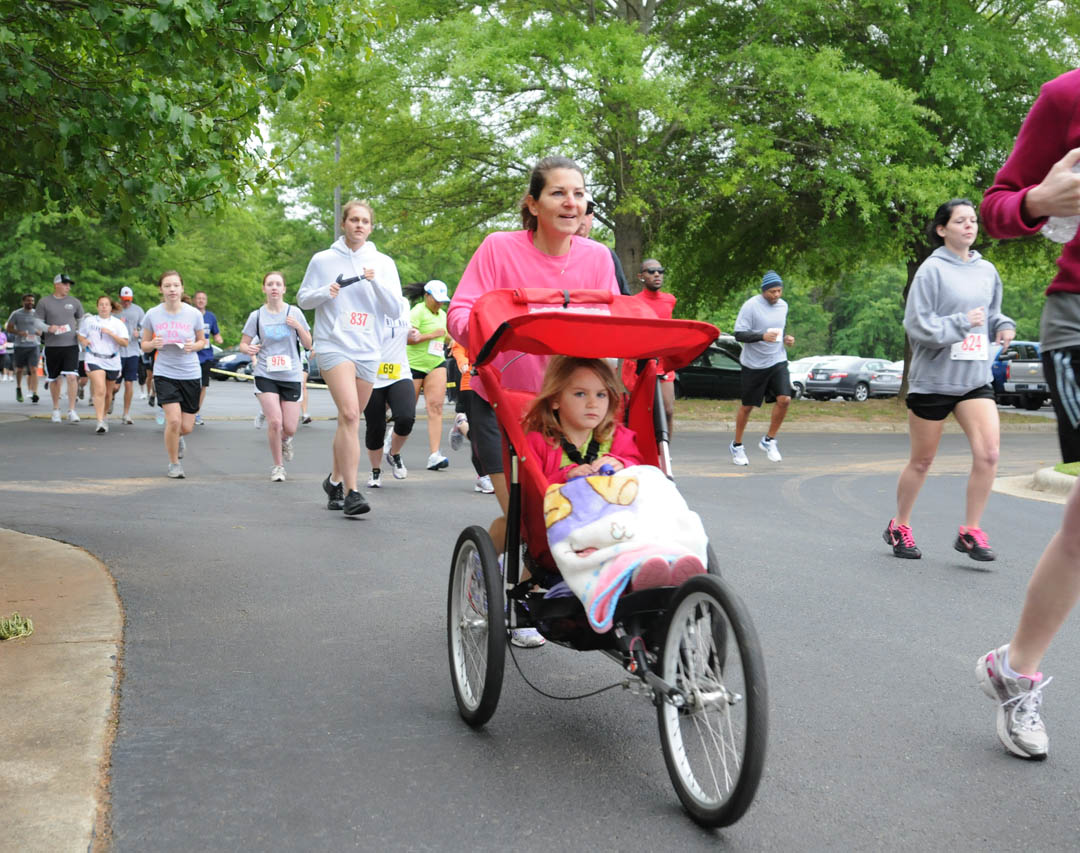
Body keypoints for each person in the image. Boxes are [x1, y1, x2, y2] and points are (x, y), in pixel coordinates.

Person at [447, 154, 622, 647]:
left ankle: (535, 582)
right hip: (500, 400)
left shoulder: (598, 258)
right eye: (558, 193)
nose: (571, 202)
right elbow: (460, 313)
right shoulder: (499, 249)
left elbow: (611, 325)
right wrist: (494, 331)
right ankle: (498, 580)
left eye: (579, 194)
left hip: (564, 406)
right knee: (526, 513)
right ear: (533, 203)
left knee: (560, 506)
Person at [971, 68, 1080, 760]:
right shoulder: (1067, 96)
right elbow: (997, 206)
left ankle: (1015, 668)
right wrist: (1039, 199)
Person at [882, 199, 1014, 563]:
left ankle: (970, 531)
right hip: (934, 380)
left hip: (974, 377)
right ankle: (900, 525)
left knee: (989, 453)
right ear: (942, 229)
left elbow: (992, 313)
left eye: (973, 220)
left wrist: (1002, 325)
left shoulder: (987, 270)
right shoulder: (930, 271)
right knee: (922, 461)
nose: (970, 226)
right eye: (960, 221)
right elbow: (917, 327)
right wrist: (960, 323)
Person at [297, 199, 402, 516]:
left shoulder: (382, 263)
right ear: (343, 224)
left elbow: (396, 309)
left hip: (368, 347)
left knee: (348, 420)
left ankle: (333, 481)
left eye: (365, 221)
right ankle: (352, 492)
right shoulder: (323, 260)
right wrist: (324, 292)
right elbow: (303, 299)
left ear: (371, 227)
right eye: (353, 220)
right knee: (352, 414)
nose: (359, 225)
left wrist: (376, 282)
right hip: (333, 345)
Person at [523, 356, 644, 483]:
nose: (593, 404)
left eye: (601, 395)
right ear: (555, 400)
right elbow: (532, 492)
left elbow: (639, 468)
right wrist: (565, 477)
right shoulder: (537, 443)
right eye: (580, 394)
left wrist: (622, 464)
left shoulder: (619, 437)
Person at [239, 272, 312, 481]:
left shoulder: (294, 312)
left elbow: (308, 344)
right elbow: (244, 343)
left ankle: (286, 440)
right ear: (264, 289)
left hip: (291, 374)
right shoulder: (257, 316)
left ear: (284, 289)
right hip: (265, 373)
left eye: (278, 284)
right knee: (275, 423)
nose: (274, 287)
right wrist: (249, 349)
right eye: (270, 284)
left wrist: (298, 327)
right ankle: (278, 466)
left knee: (289, 427)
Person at [141, 270, 207, 478]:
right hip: (165, 372)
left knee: (186, 426)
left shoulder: (193, 313)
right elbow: (144, 345)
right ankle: (174, 463)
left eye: (175, 285)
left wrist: (192, 346)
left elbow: (202, 341)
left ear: (182, 288)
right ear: (161, 289)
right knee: (174, 421)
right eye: (167, 286)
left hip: (190, 373)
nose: (172, 289)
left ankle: (177, 438)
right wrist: (153, 344)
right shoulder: (152, 314)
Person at [729, 271, 795, 465]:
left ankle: (769, 440)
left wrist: (786, 339)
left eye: (779, 291)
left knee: (785, 399)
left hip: (777, 359)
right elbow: (739, 334)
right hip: (753, 364)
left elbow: (778, 330)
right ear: (764, 291)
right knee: (748, 406)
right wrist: (761, 336)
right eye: (772, 291)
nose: (776, 295)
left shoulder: (783, 306)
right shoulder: (751, 306)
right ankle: (737, 445)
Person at [362, 296, 415, 487]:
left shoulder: (403, 303)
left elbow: (404, 333)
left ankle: (393, 452)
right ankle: (375, 471)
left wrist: (412, 334)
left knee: (406, 418)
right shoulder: (367, 303)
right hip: (372, 376)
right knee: (375, 427)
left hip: (399, 373)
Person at [407, 280, 451, 471]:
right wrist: (432, 335)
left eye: (442, 301)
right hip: (413, 365)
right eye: (436, 300)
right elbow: (409, 339)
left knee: (436, 407)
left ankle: (434, 455)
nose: (439, 304)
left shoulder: (443, 315)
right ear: (427, 296)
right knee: (407, 413)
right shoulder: (417, 311)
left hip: (435, 363)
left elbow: (447, 336)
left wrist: (452, 340)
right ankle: (392, 442)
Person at [635, 259, 678, 436]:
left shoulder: (670, 300)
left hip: (664, 363)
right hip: (643, 362)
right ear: (641, 276)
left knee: (668, 410)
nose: (657, 274)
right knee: (644, 412)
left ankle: (665, 456)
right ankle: (644, 452)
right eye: (651, 271)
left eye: (660, 271)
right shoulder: (634, 302)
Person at [77, 296, 129, 434]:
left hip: (112, 360)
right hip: (93, 358)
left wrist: (111, 334)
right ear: (97, 306)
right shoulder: (89, 321)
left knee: (108, 393)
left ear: (111, 307)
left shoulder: (118, 324)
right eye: (101, 304)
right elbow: (80, 335)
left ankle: (104, 416)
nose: (104, 307)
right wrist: (83, 341)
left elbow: (125, 343)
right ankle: (99, 421)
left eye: (106, 305)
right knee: (100, 389)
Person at [37, 273, 84, 424]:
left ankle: (71, 410)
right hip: (52, 346)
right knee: (55, 379)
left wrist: (80, 333)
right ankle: (56, 409)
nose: (68, 287)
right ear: (56, 284)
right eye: (65, 284)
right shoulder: (44, 302)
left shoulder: (74, 302)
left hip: (70, 345)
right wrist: (47, 328)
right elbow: (36, 322)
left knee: (71, 376)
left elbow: (81, 319)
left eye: (69, 284)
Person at [448, 339, 493, 493]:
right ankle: (483, 476)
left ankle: (461, 425)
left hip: (498, 383)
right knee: (480, 433)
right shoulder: (470, 320)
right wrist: (463, 362)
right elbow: (458, 347)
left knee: (494, 433)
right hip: (471, 382)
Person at [577, 192, 630, 295]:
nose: (582, 216)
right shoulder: (555, 251)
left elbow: (624, 298)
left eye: (587, 210)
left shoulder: (606, 254)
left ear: (592, 215)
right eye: (577, 210)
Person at [192, 290, 224, 425]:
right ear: (194, 300)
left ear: (206, 301)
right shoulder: (190, 314)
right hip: (191, 355)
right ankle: (187, 410)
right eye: (198, 298)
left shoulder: (211, 317)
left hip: (206, 356)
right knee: (190, 385)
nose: (201, 301)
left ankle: (196, 412)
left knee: (202, 385)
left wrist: (218, 338)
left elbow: (215, 333)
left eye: (203, 299)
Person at [115, 286, 145, 425]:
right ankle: (111, 398)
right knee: (115, 386)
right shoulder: (115, 310)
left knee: (129, 383)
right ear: (120, 298)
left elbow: (145, 327)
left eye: (129, 300)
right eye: (124, 300)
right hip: (117, 352)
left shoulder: (138, 310)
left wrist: (139, 333)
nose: (126, 303)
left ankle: (126, 413)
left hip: (132, 351)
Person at [6, 293, 42, 404]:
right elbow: (9, 328)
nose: (30, 302)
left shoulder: (37, 314)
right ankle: (18, 388)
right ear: (23, 302)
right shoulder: (16, 314)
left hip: (34, 345)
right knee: (20, 369)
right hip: (20, 345)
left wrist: (38, 332)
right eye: (28, 300)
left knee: (34, 369)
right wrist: (19, 332)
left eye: (32, 300)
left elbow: (40, 329)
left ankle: (35, 393)